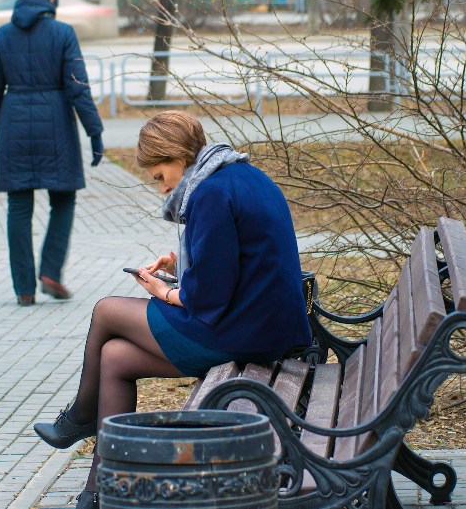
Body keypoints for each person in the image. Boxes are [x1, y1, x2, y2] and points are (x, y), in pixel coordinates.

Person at [33, 111, 312, 509]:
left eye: (160, 175)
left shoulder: (209, 194)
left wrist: (162, 291)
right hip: (261, 324)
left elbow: (209, 298)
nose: (162, 188)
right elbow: (235, 263)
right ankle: (100, 487)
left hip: (241, 332)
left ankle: (80, 415)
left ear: (177, 156)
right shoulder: (238, 174)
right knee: (113, 357)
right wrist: (178, 267)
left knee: (106, 310)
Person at [0, 0, 104, 306]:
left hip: (14, 126)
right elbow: (78, 89)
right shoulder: (63, 33)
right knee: (62, 199)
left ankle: (24, 288)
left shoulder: (3, 35)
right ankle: (50, 270)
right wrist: (94, 131)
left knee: (18, 205)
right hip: (56, 128)